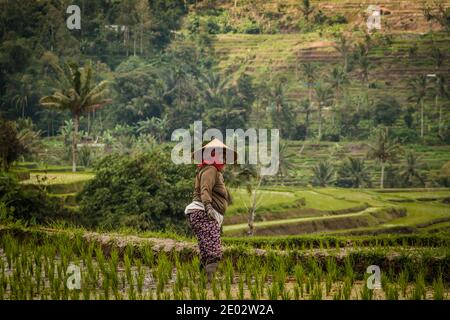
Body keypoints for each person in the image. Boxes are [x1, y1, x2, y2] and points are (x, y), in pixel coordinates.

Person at [184, 138, 236, 281]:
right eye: (221, 155)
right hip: (203, 212)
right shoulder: (210, 169)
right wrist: (208, 207)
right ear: (213, 156)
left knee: (207, 251)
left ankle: (203, 280)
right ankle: (208, 284)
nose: (224, 159)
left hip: (201, 214)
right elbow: (205, 189)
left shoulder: (211, 170)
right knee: (213, 251)